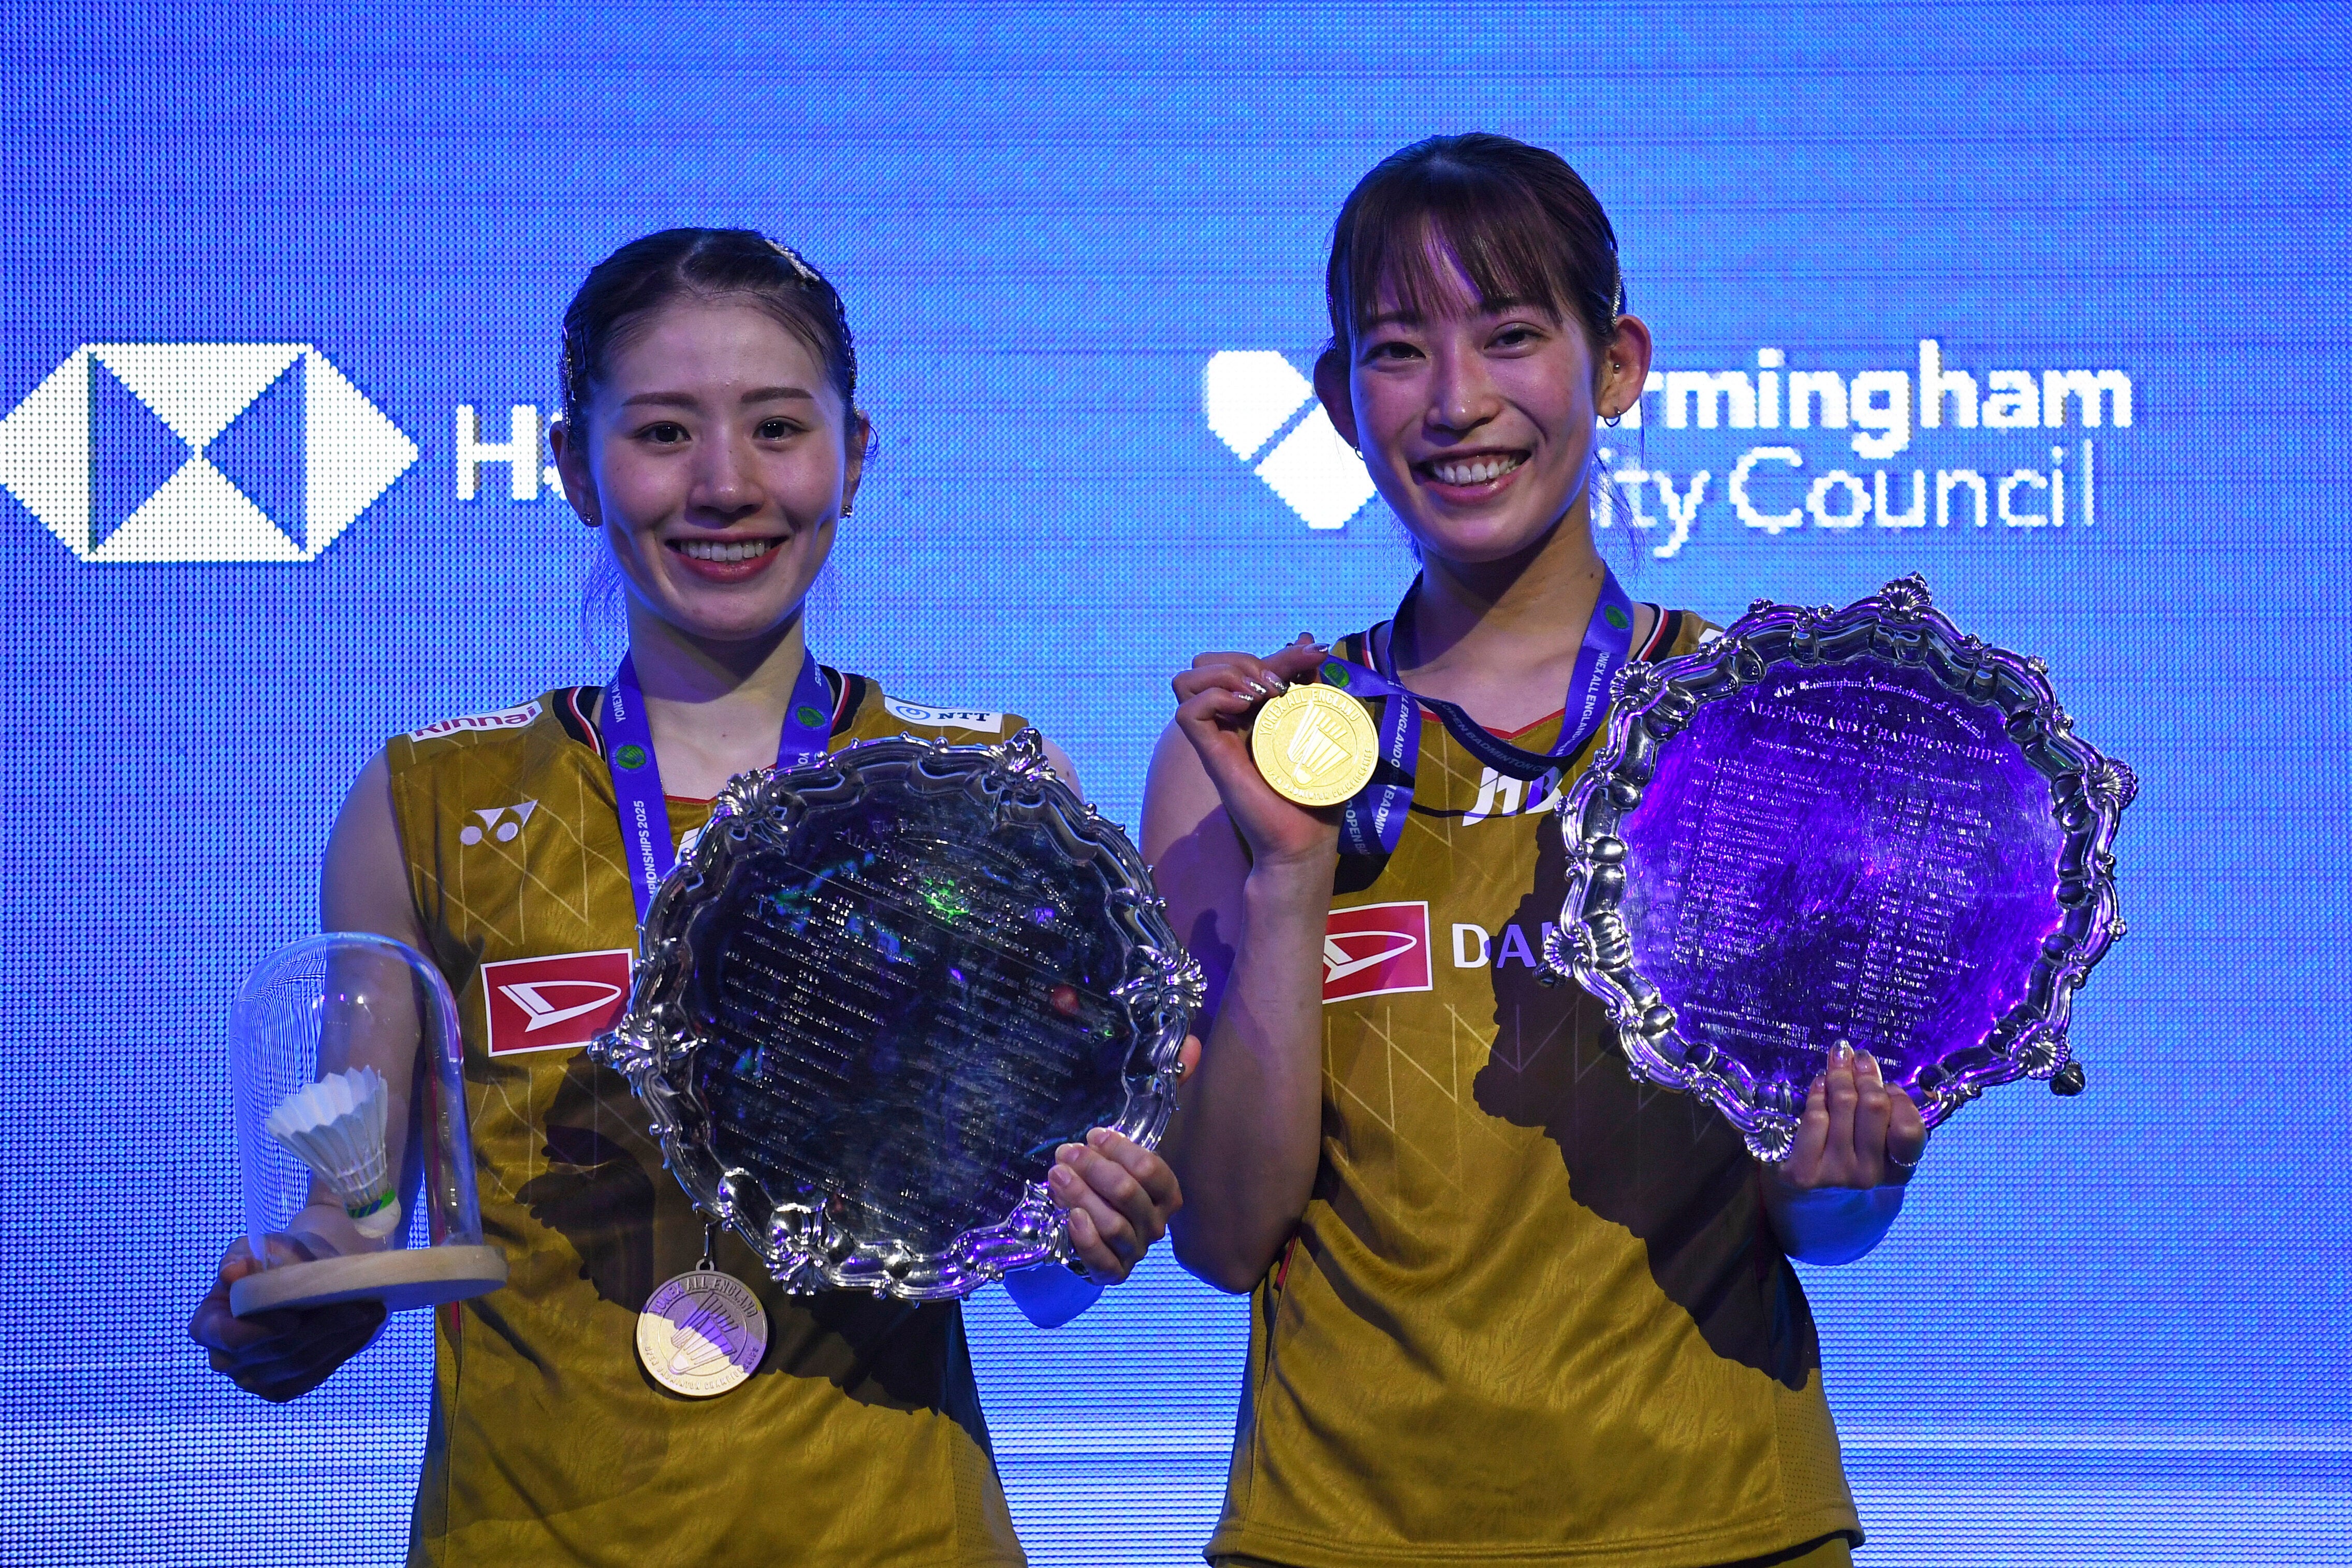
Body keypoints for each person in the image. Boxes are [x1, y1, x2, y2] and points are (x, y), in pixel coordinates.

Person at [189, 228, 1191, 1567]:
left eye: (778, 429)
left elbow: (1038, 1283)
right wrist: (307, 1288)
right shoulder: (427, 804)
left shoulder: (988, 794)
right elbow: (358, 1211)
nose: (725, 486)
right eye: (664, 433)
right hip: (527, 1534)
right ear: (571, 465)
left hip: (890, 1534)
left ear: (854, 451)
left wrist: (1085, 1232)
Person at [1142, 135, 1927, 1568]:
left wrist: (1850, 1173)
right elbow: (1222, 1238)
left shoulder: (1754, 731)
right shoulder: (1256, 755)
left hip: (1720, 1521)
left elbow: (1814, 1221)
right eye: (1398, 349)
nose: (1457, 402)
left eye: (1512, 336)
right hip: (1343, 1532)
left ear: (1613, 362)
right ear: (1336, 400)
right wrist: (1288, 880)